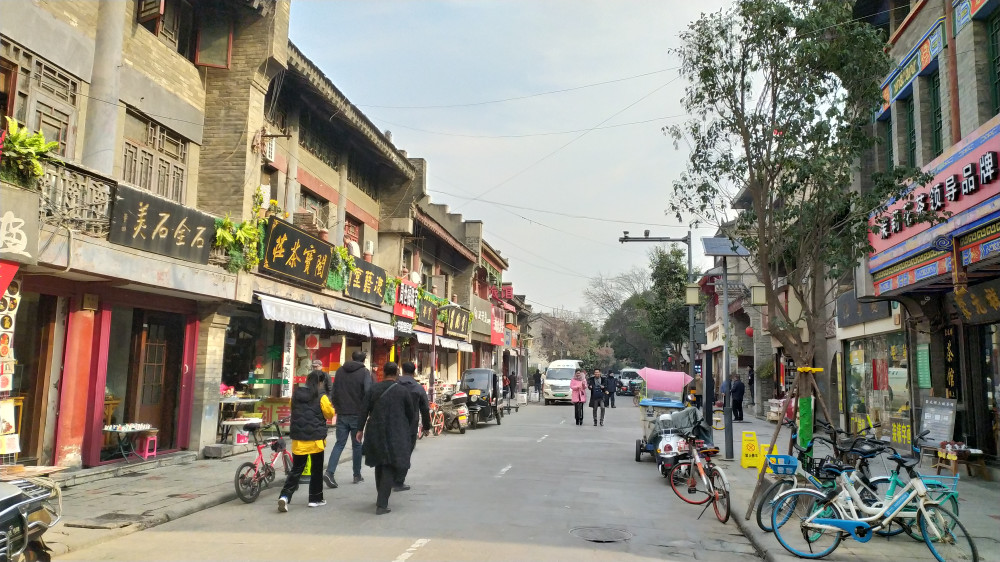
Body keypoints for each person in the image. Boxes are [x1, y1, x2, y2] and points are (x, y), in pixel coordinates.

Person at [357, 362, 418, 515]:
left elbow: (364, 410)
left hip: (375, 430)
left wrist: (359, 430)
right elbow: (411, 414)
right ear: (397, 373)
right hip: (396, 432)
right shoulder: (402, 392)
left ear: (383, 373)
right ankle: (382, 504)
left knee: (380, 463)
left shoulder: (373, 389)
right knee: (390, 465)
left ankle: (381, 497)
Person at [277, 370, 336, 512]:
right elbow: (329, 413)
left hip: (299, 440)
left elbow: (294, 409)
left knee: (296, 470)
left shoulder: (296, 395)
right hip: (315, 440)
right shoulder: (322, 397)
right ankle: (315, 499)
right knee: (316, 470)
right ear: (320, 382)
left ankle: (285, 496)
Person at [325, 351, 372, 489]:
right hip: (357, 413)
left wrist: (337, 407)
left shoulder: (340, 371)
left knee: (339, 443)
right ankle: (356, 474)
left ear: (352, 358)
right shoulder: (364, 372)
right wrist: (367, 411)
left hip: (342, 413)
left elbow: (334, 391)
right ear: (363, 360)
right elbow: (368, 393)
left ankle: (329, 472)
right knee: (356, 444)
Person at [394, 362, 431, 491]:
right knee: (406, 453)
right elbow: (425, 409)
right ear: (414, 372)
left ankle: (390, 477)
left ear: (402, 370)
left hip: (392, 424)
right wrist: (427, 427)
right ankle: (399, 481)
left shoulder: (393, 385)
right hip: (410, 426)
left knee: (393, 451)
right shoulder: (418, 388)